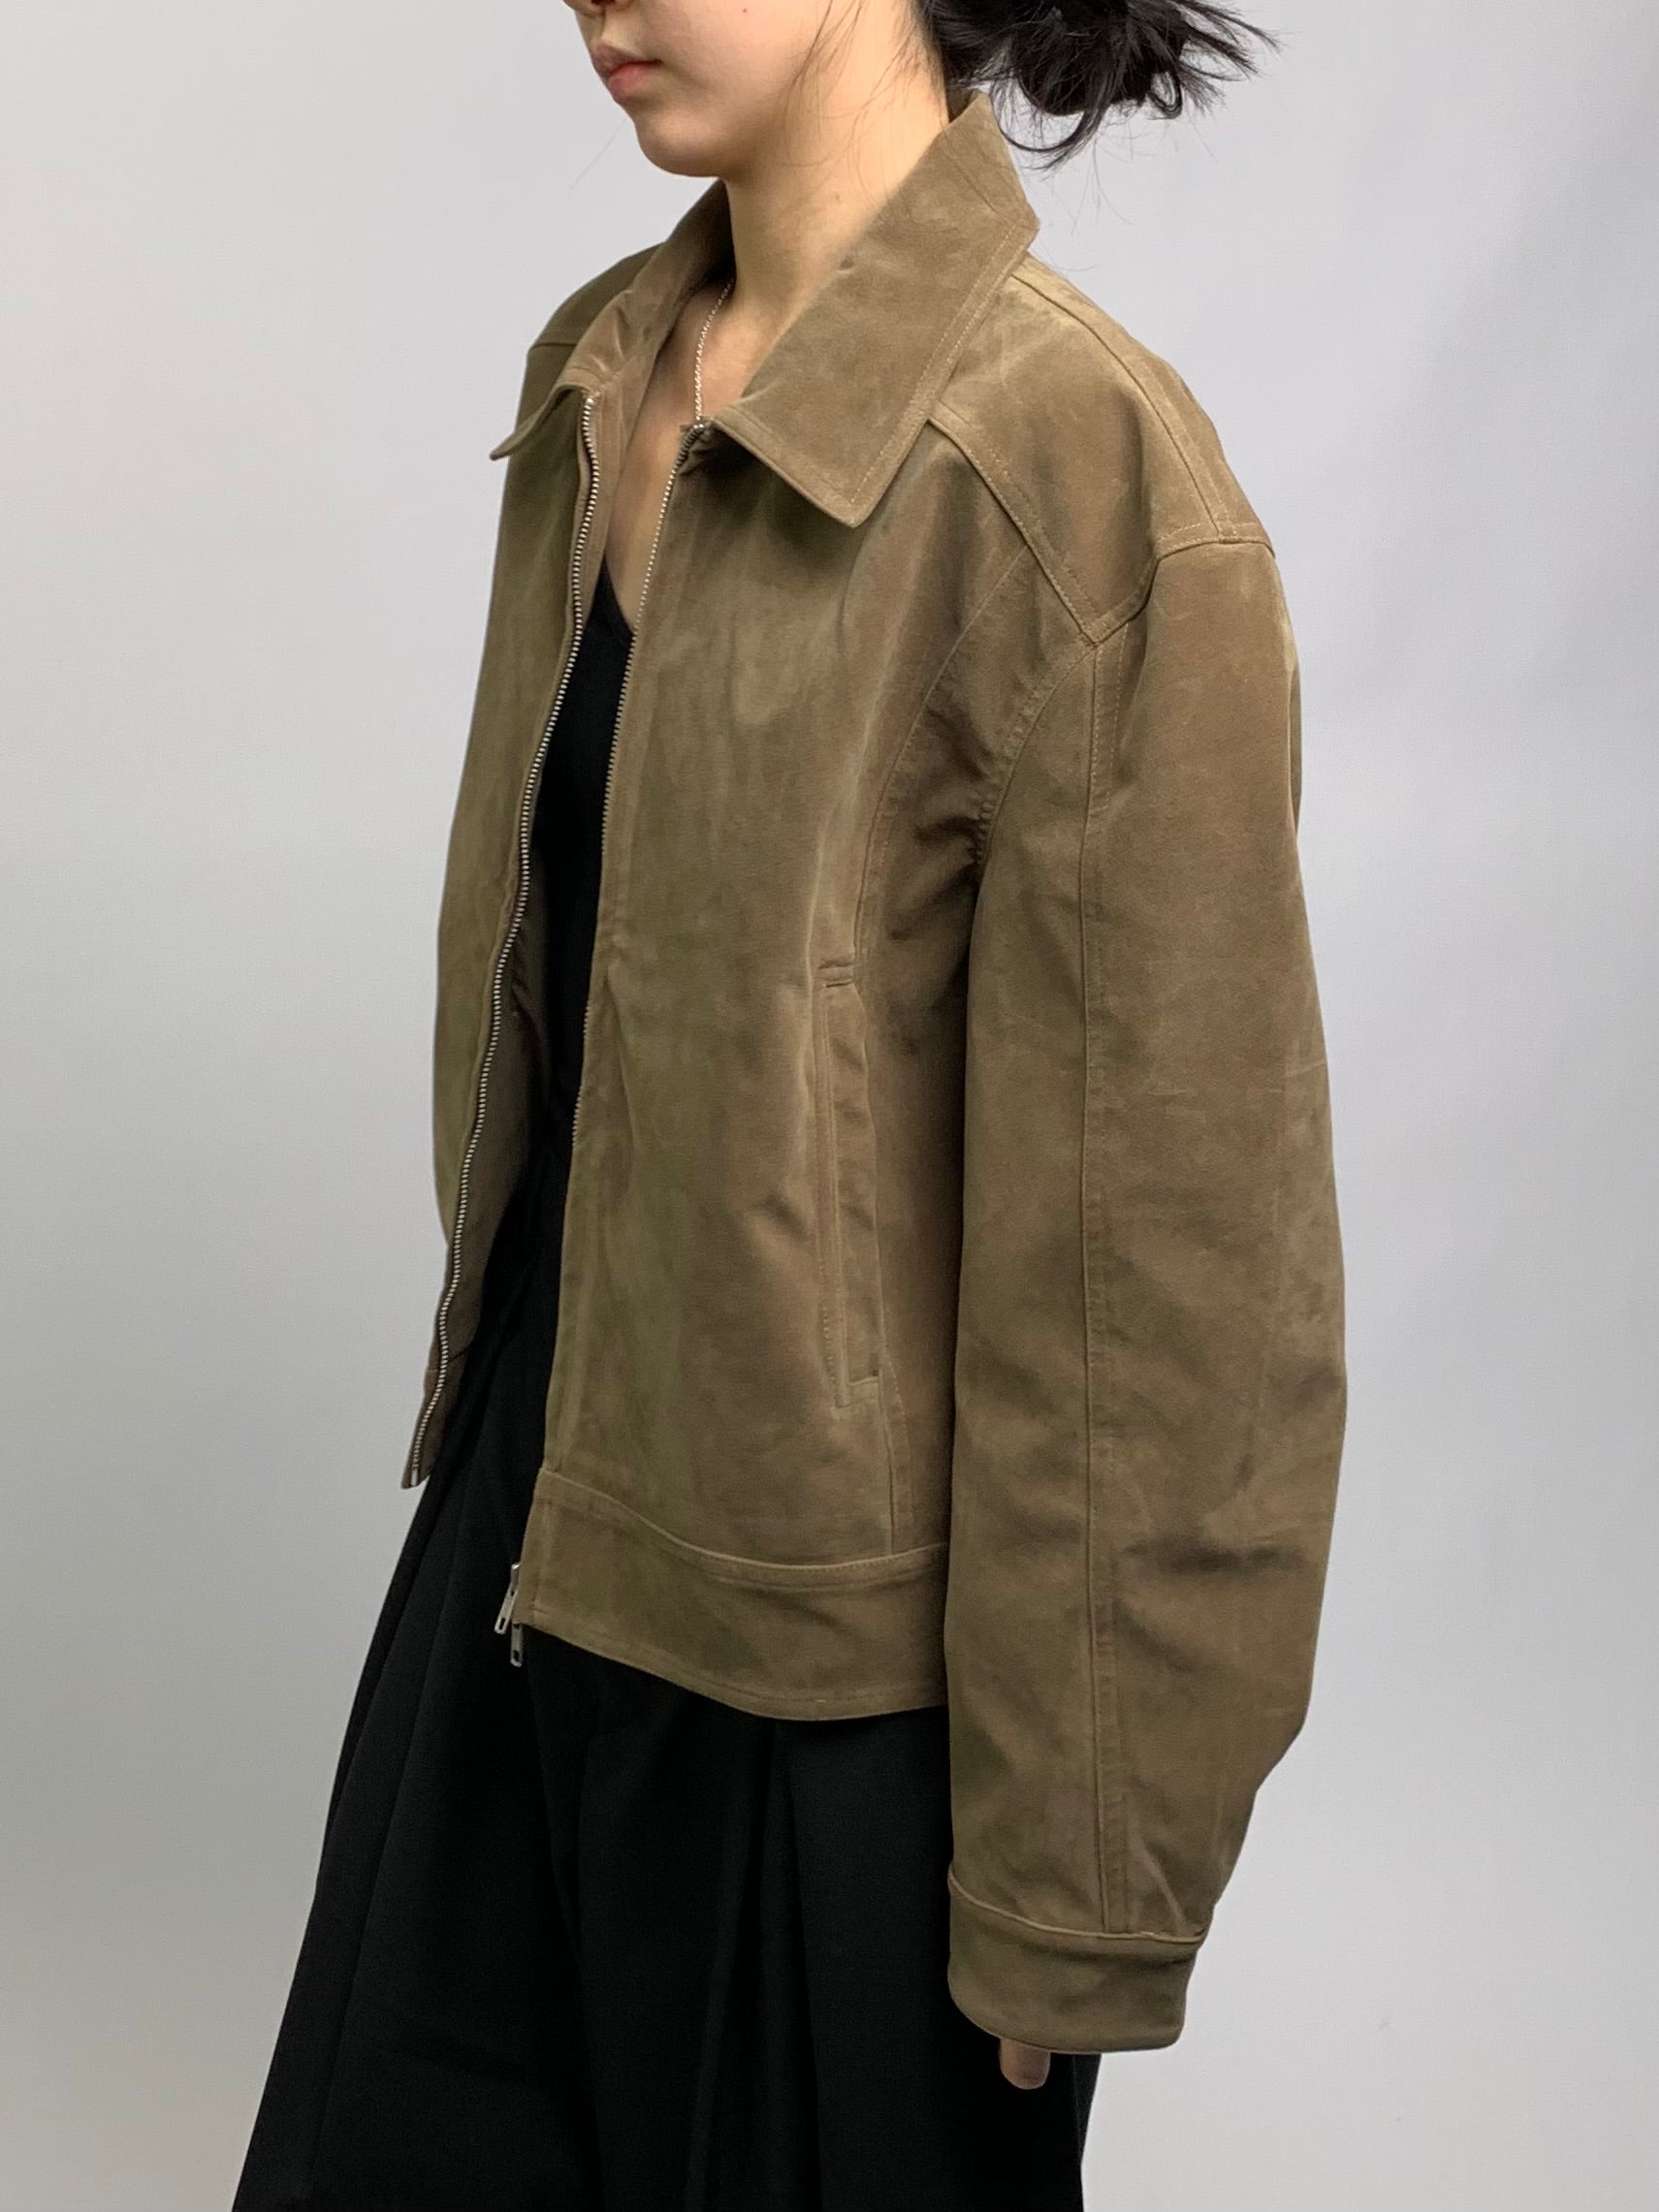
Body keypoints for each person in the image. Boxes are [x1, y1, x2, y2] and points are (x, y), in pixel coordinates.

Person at [233, 0, 1346, 2204]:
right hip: (520, 1569)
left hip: (841, 1723)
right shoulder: (599, 380)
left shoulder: (1079, 478)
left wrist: (1083, 1872)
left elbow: (1169, 1283)